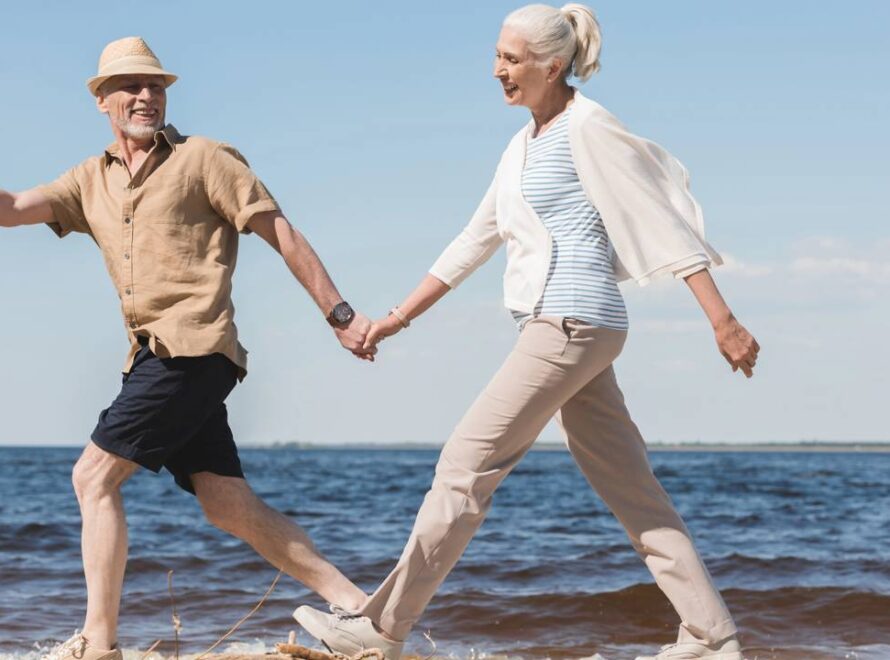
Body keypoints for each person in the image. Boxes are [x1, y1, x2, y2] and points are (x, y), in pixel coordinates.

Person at [293, 4, 759, 660]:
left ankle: (381, 630)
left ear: (553, 65)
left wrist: (722, 317)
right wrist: (392, 322)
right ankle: (712, 636)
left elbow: (659, 218)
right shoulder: (522, 146)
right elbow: (472, 240)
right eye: (496, 56)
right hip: (573, 328)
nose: (497, 71)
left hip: (569, 321)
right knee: (631, 487)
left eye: (511, 59)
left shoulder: (587, 127)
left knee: (463, 465)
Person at [0, 37, 375, 660]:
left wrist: (338, 313)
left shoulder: (205, 159)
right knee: (227, 503)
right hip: (153, 357)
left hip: (195, 349)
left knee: (92, 477)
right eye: (131, 87)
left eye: (156, 86)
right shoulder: (88, 180)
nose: (147, 96)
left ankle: (99, 643)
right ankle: (361, 611)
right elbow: (11, 207)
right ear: (102, 100)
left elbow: (279, 230)